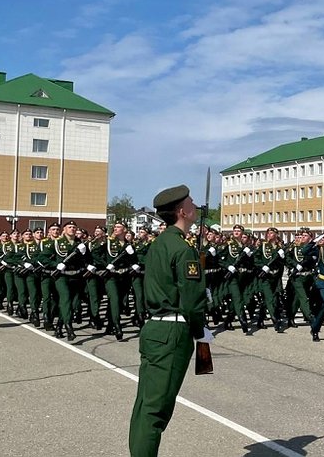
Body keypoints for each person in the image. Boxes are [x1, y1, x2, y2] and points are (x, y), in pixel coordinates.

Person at [129, 184, 213, 456]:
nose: (195, 205)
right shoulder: (181, 248)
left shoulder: (160, 244)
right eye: (191, 202)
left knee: (145, 405)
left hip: (155, 327)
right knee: (156, 411)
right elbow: (190, 300)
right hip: (172, 332)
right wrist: (201, 331)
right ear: (182, 211)